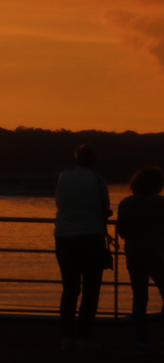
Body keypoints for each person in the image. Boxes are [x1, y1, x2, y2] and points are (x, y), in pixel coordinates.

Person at [55, 144, 112, 351]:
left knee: (70, 290)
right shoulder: (98, 181)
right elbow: (105, 208)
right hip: (90, 238)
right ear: (94, 161)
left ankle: (67, 337)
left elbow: (60, 203)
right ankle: (84, 337)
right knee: (90, 290)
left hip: (63, 238)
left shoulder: (63, 177)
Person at [117, 165, 164, 353]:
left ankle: (142, 342)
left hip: (134, 254)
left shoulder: (125, 203)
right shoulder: (160, 203)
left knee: (139, 297)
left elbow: (122, 232)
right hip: (157, 254)